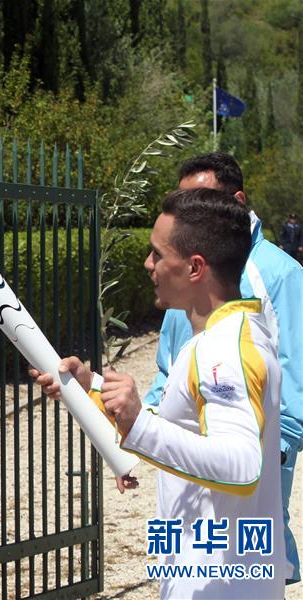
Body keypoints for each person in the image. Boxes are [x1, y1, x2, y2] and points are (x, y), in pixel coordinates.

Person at [32, 188, 286, 598]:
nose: (148, 264)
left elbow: (242, 466)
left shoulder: (223, 350)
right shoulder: (223, 336)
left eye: (158, 254)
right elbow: (181, 425)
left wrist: (137, 425)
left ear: (195, 267)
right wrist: (92, 388)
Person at [143, 153, 303, 585]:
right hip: (186, 462)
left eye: (200, 199)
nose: (190, 210)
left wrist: (279, 453)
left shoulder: (279, 275)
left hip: (245, 456)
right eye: (183, 199)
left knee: (244, 568)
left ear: (235, 201)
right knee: (194, 566)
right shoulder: (183, 287)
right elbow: (169, 369)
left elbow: (293, 379)